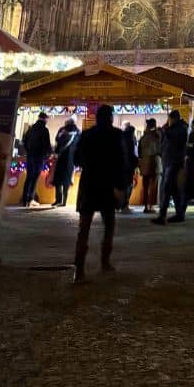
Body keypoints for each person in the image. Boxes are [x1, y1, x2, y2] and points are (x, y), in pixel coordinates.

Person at [73, 104, 127, 283]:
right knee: (109, 226)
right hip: (108, 186)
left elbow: (76, 159)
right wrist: (120, 187)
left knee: (84, 229)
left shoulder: (86, 134)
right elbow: (121, 161)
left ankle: (79, 270)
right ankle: (105, 262)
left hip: (89, 185)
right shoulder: (117, 135)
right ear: (111, 117)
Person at [153, 109, 188, 224]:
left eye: (170, 119)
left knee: (167, 188)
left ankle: (162, 215)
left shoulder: (181, 128)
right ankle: (180, 214)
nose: (169, 121)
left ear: (174, 119)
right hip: (168, 161)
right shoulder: (172, 128)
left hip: (174, 161)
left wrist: (164, 131)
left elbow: (175, 139)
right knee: (173, 189)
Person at [22, 112, 51, 206]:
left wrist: (28, 151)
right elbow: (47, 144)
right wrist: (48, 154)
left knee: (29, 177)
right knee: (34, 178)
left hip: (30, 156)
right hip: (39, 157)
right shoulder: (44, 129)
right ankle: (30, 199)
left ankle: (24, 199)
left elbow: (25, 141)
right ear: (45, 119)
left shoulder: (31, 128)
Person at [52, 118, 80, 208]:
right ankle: (64, 201)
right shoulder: (78, 132)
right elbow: (79, 146)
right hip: (71, 159)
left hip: (61, 157)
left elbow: (57, 140)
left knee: (58, 179)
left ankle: (58, 200)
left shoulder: (62, 130)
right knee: (66, 180)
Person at [138, 118, 162, 213]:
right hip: (154, 161)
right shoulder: (157, 136)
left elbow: (139, 151)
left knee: (146, 185)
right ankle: (151, 206)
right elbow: (160, 149)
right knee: (153, 185)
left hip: (144, 161)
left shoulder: (143, 137)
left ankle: (146, 206)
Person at [120, 124, 138, 212]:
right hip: (128, 167)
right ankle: (124, 205)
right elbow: (131, 154)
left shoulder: (122, 140)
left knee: (123, 186)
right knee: (128, 186)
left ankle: (121, 205)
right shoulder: (130, 141)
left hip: (122, 167)